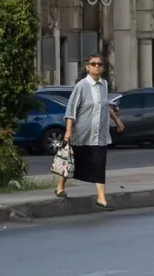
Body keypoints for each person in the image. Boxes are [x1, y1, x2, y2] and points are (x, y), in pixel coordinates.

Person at [61, 55, 122, 209]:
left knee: (99, 164)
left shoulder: (104, 84)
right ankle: (60, 186)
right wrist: (68, 132)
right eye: (93, 64)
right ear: (87, 67)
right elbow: (71, 110)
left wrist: (117, 120)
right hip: (82, 134)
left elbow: (106, 104)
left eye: (99, 64)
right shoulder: (81, 86)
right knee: (73, 162)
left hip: (100, 134)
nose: (97, 67)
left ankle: (101, 198)